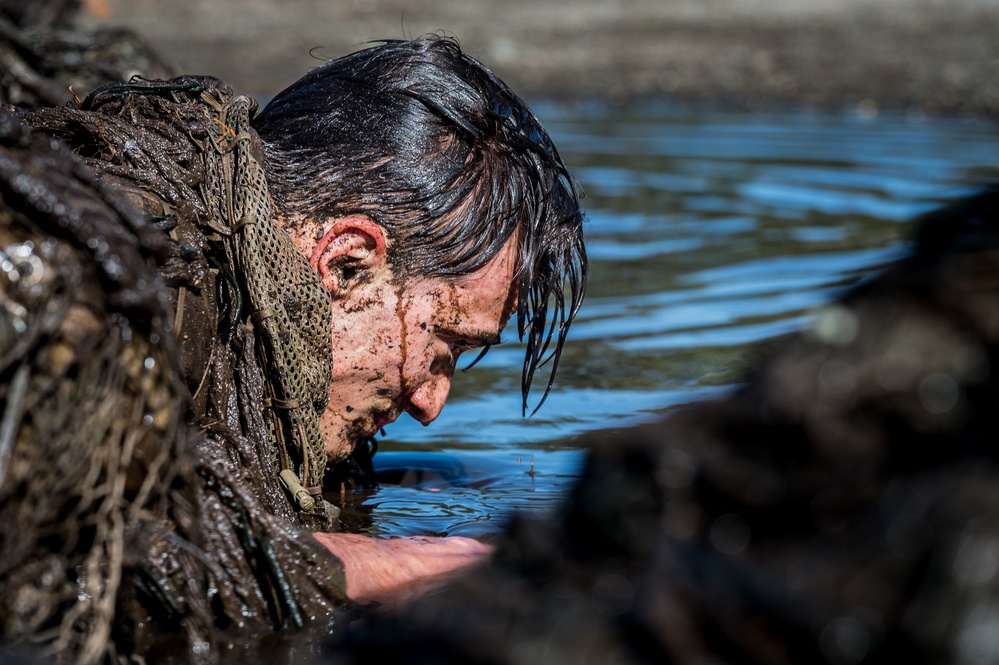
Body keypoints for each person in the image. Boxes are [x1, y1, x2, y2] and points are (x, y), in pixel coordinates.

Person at [1, 33, 585, 662]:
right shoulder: (81, 289)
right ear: (346, 263)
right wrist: (374, 563)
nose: (431, 403)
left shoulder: (225, 274)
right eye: (444, 342)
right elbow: (58, 571)